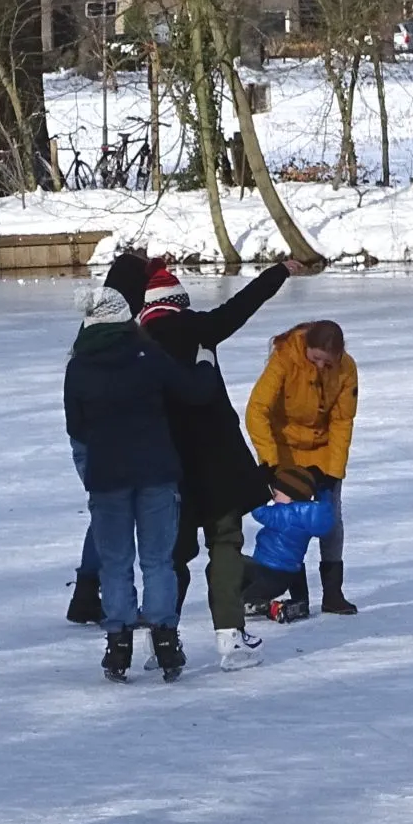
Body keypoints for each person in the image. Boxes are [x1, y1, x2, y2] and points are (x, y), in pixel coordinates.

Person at [137, 258, 307, 672]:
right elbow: (243, 305)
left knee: (171, 557)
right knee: (225, 544)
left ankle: (159, 642)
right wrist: (279, 271)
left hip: (167, 466)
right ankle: (230, 638)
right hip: (217, 460)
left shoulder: (137, 344)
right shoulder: (200, 329)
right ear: (178, 302)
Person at [66, 285, 214, 682]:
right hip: (156, 473)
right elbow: (195, 392)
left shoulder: (78, 367)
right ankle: (166, 641)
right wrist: (204, 361)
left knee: (115, 564)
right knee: (157, 560)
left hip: (107, 478)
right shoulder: (148, 356)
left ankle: (118, 646)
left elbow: (76, 429)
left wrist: (91, 474)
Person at [244, 319, 359, 615]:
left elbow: (342, 420)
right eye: (315, 359)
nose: (321, 366)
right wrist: (269, 462)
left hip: (323, 450)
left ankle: (333, 593)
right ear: (306, 348)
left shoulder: (347, 369)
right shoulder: (285, 357)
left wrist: (333, 470)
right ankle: (291, 590)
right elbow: (258, 409)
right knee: (290, 524)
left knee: (330, 520)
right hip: (285, 450)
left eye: (327, 362)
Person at [66, 250, 156, 624]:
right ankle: (92, 592)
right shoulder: (122, 330)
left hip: (87, 438)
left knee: (107, 513)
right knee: (114, 516)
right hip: (105, 439)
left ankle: (88, 592)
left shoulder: (95, 322)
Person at [242, 465, 336, 624]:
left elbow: (257, 511)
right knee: (295, 563)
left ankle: (268, 607)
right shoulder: (311, 515)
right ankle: (301, 603)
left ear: (291, 496)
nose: (273, 498)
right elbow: (326, 510)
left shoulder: (284, 515)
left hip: (268, 573)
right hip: (289, 574)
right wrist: (323, 489)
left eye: (276, 493)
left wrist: (259, 484)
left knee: (241, 599)